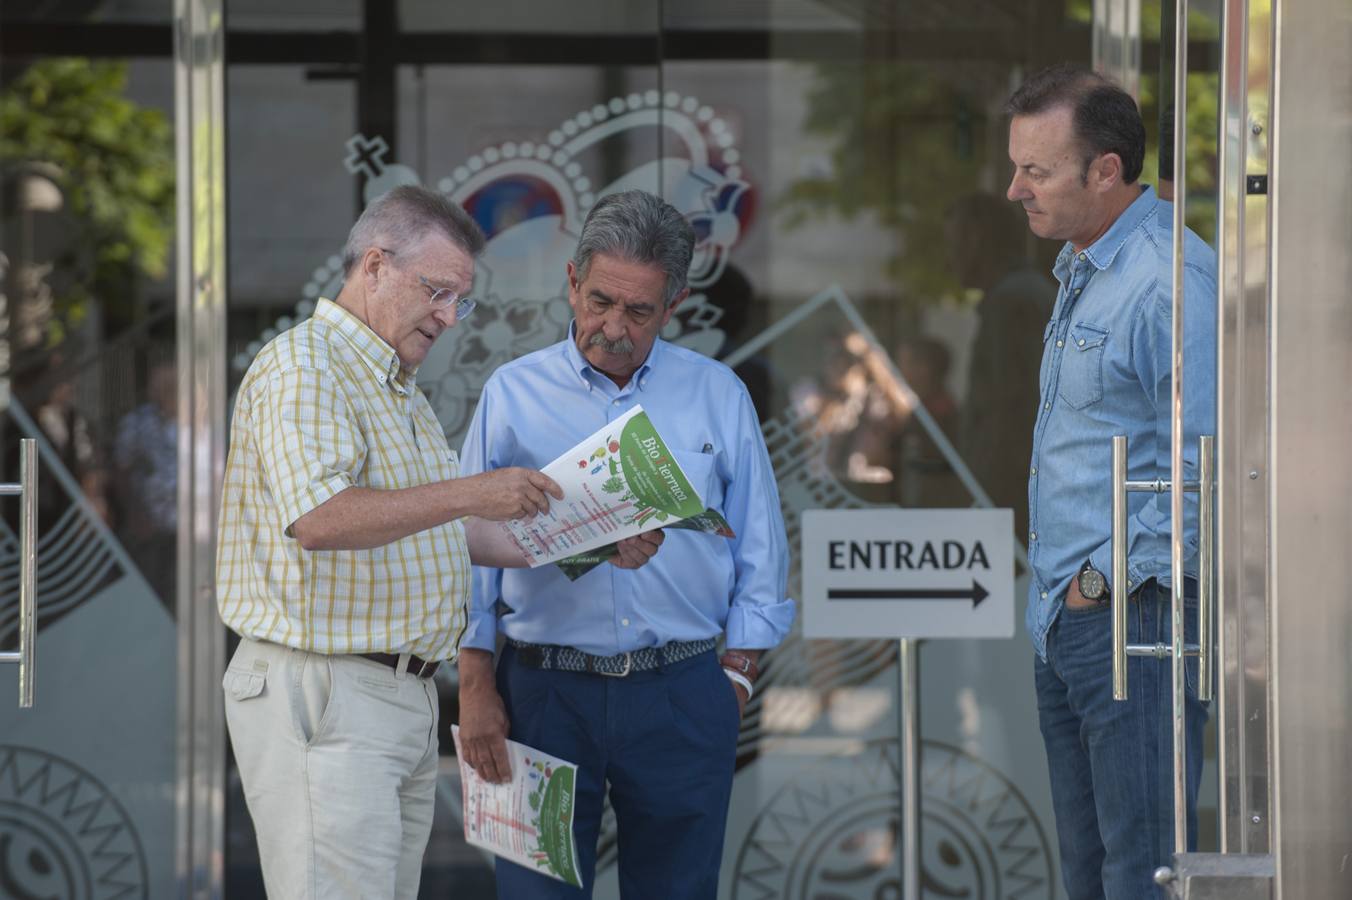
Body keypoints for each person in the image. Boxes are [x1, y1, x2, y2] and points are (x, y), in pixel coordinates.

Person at [214, 185, 661, 900]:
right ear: (374, 266)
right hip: (329, 686)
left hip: (392, 692)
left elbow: (450, 532)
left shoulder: (394, 387)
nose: (450, 317)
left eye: (461, 300)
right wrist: (471, 490)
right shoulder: (309, 366)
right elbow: (320, 518)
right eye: (438, 291)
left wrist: (595, 540)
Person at [457, 189, 793, 899]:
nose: (613, 327)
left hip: (681, 691)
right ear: (573, 282)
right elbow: (465, 553)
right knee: (532, 894)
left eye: (638, 311)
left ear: (672, 305)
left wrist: (734, 676)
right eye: (601, 300)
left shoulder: (717, 394)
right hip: (538, 696)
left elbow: (762, 547)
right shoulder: (512, 395)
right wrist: (477, 684)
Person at [1006, 65, 1217, 899]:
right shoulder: (1087, 264)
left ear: (1106, 170)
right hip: (1070, 618)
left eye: (1035, 170)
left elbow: (1200, 463)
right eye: (1016, 165)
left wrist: (1103, 583)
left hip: (1135, 619)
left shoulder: (1167, 279)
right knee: (1090, 873)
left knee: (1143, 872)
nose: (1013, 188)